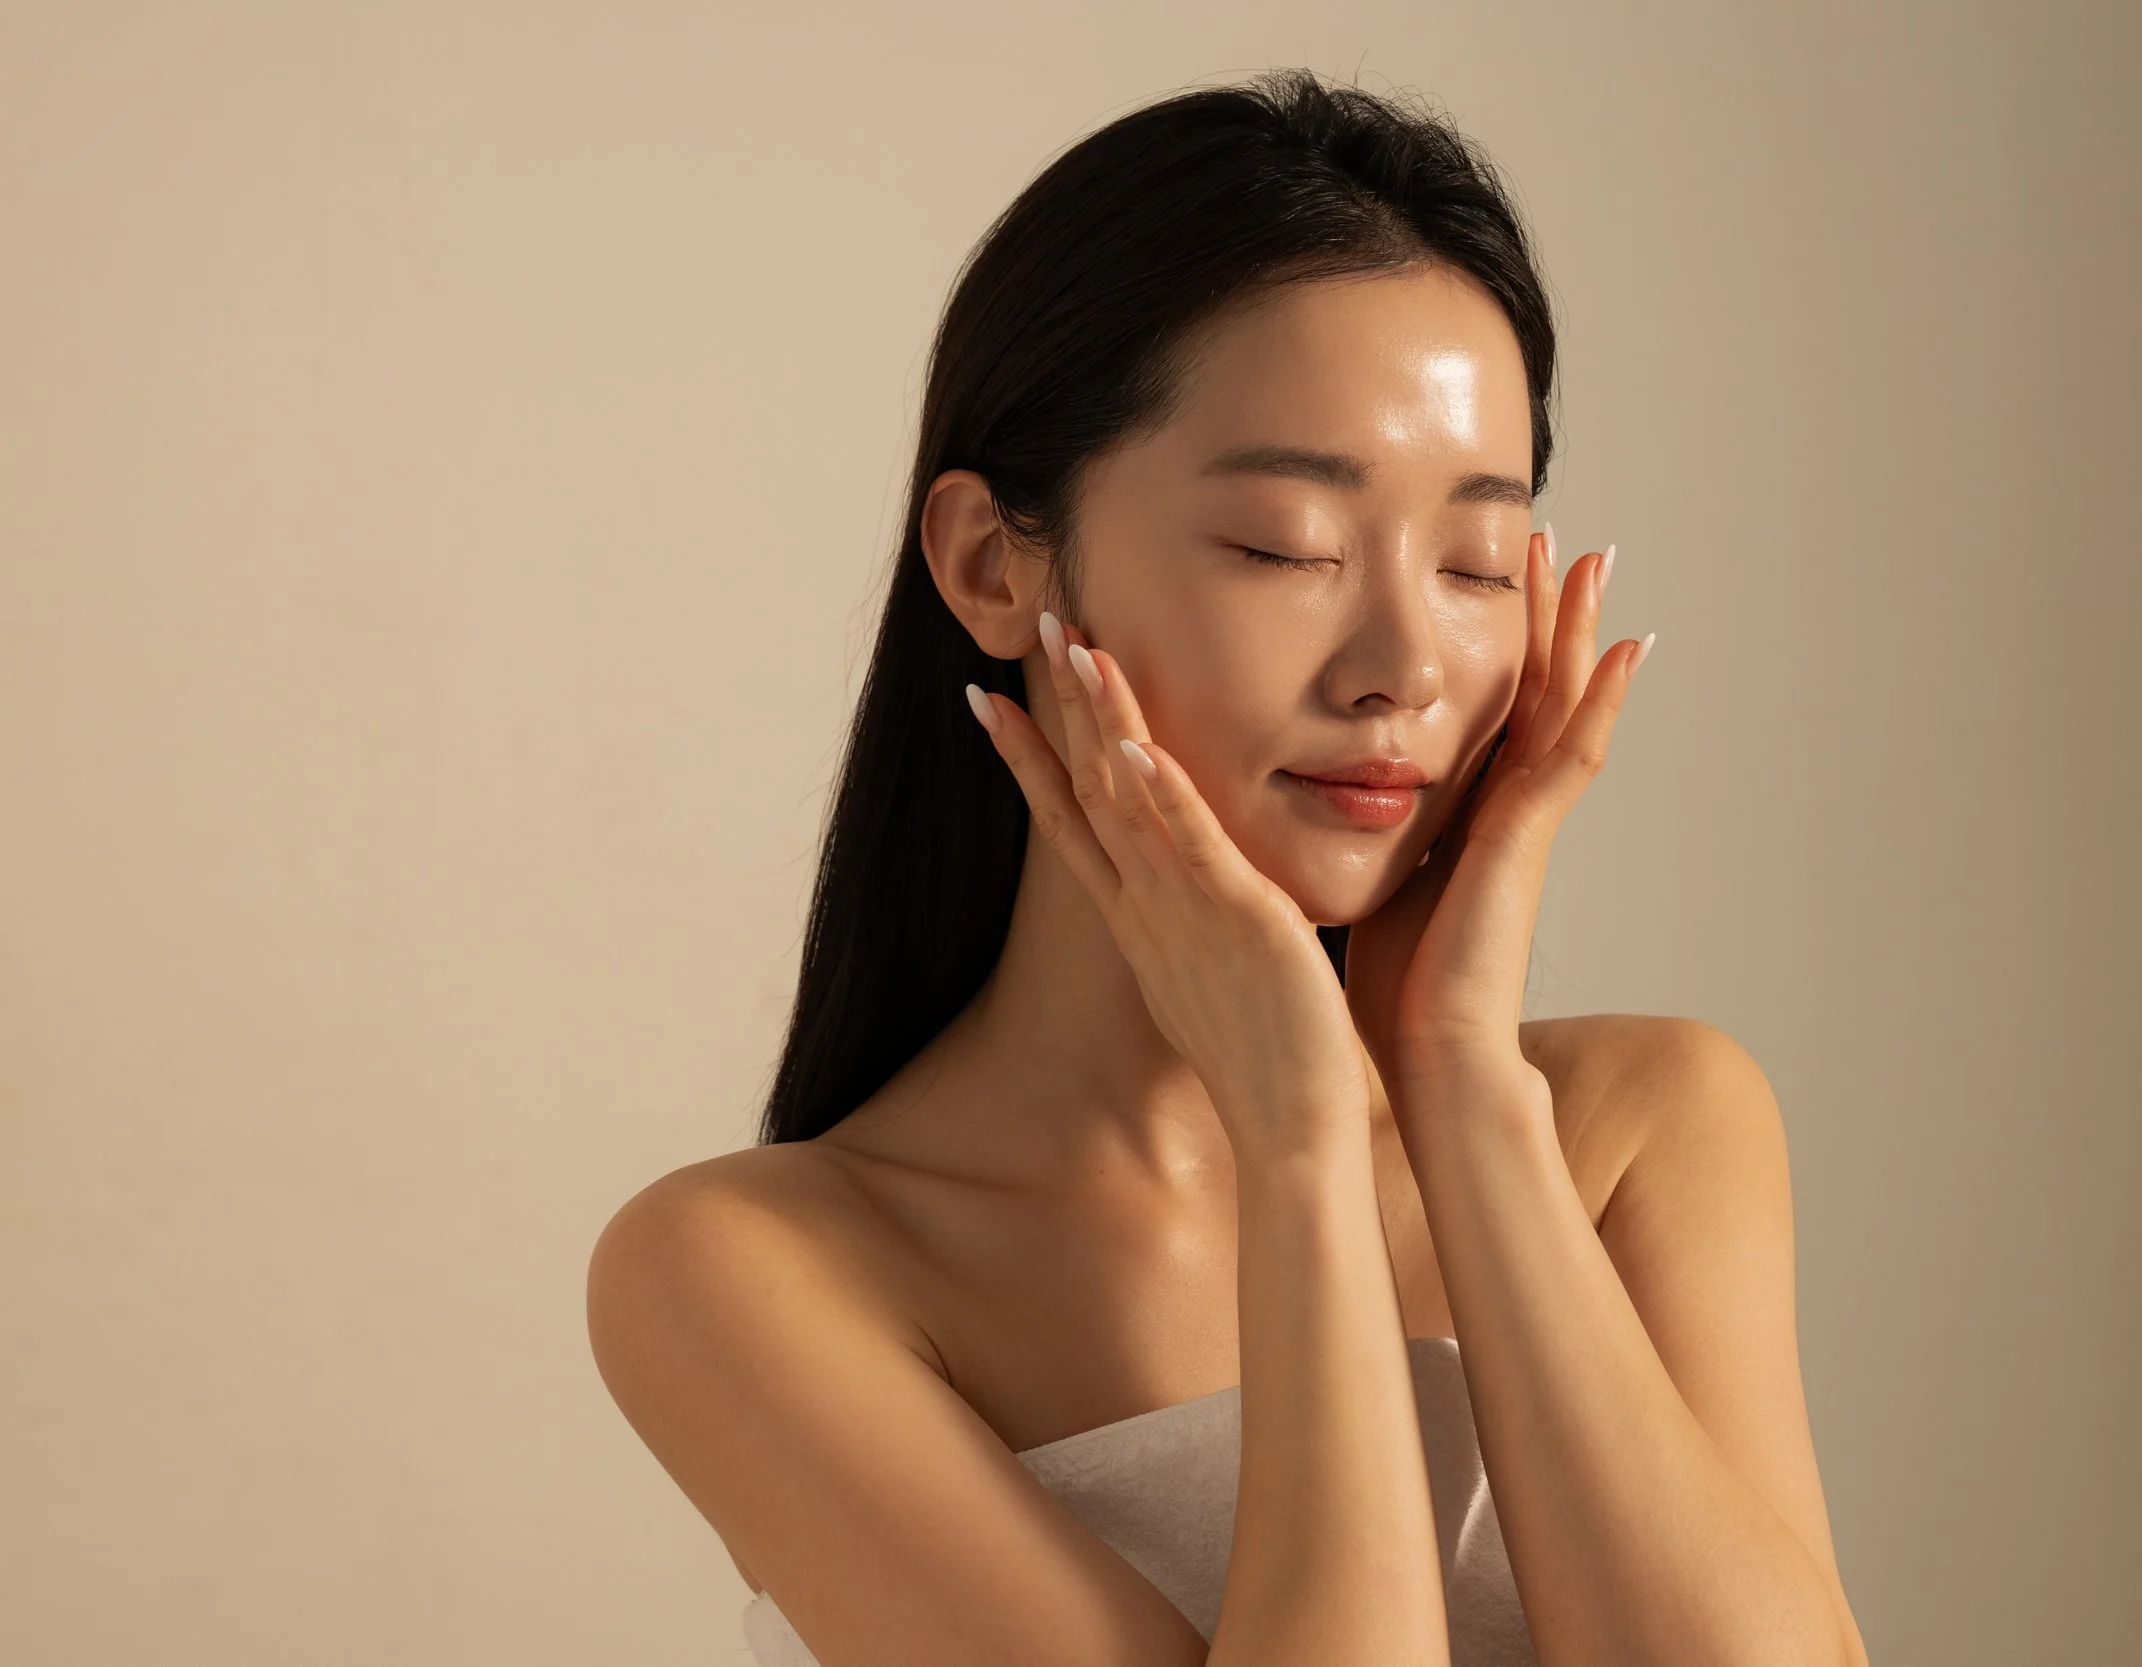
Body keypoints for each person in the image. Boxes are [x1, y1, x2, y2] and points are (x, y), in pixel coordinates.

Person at [586, 67, 1870, 1667]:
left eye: (1479, 560)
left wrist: (1462, 1086)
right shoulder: (754, 1274)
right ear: (994, 563)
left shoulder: (1644, 1130)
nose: (1405, 660)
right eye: (1286, 546)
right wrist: (1299, 1138)